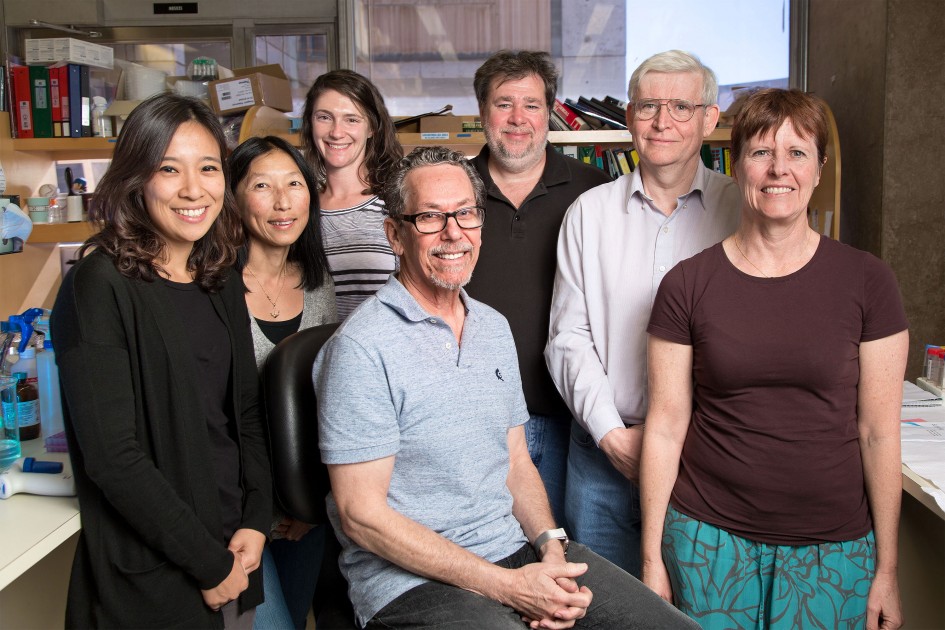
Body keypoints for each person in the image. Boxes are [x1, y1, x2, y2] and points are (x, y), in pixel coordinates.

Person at [312, 145, 698, 630]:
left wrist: (551, 549)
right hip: (410, 583)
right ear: (395, 234)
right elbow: (360, 515)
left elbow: (516, 462)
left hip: (513, 550)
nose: (453, 233)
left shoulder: (492, 327)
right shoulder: (361, 348)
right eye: (430, 217)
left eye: (466, 214)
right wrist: (507, 588)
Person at [641, 88, 908, 630]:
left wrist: (887, 568)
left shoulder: (868, 282)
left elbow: (879, 432)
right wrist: (651, 561)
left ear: (819, 168)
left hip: (834, 549)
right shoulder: (687, 285)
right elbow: (666, 427)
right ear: (736, 166)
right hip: (707, 541)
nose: (778, 169)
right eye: (761, 152)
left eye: (798, 153)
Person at [51, 92, 271, 628]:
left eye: (208, 168)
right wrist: (208, 563)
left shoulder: (216, 275)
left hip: (233, 553)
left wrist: (257, 518)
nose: (193, 189)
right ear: (136, 178)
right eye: (168, 169)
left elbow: (243, 413)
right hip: (157, 576)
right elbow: (113, 457)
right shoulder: (97, 285)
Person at [545, 50, 740, 576]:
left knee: (694, 605)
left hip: (706, 457)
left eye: (681, 106)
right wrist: (612, 435)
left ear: (709, 118)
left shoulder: (742, 212)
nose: (662, 122)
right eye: (648, 105)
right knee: (603, 608)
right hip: (603, 453)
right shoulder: (588, 213)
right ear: (628, 116)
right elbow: (568, 337)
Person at [464, 50, 611, 528]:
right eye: (503, 103)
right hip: (478, 422)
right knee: (493, 565)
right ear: (482, 113)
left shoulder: (596, 192)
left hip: (577, 422)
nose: (517, 119)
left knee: (571, 564)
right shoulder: (451, 190)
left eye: (530, 104)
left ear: (549, 112)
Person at [229, 135, 337, 630]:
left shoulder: (318, 282)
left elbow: (327, 400)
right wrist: (261, 511)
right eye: (262, 186)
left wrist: (310, 504)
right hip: (235, 512)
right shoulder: (212, 287)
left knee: (296, 619)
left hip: (304, 510)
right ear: (233, 197)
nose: (282, 201)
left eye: (294, 183)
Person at [300, 69, 403, 319]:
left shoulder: (396, 203)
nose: (336, 132)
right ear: (310, 123)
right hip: (311, 354)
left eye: (352, 119)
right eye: (324, 117)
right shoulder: (299, 209)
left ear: (372, 129)